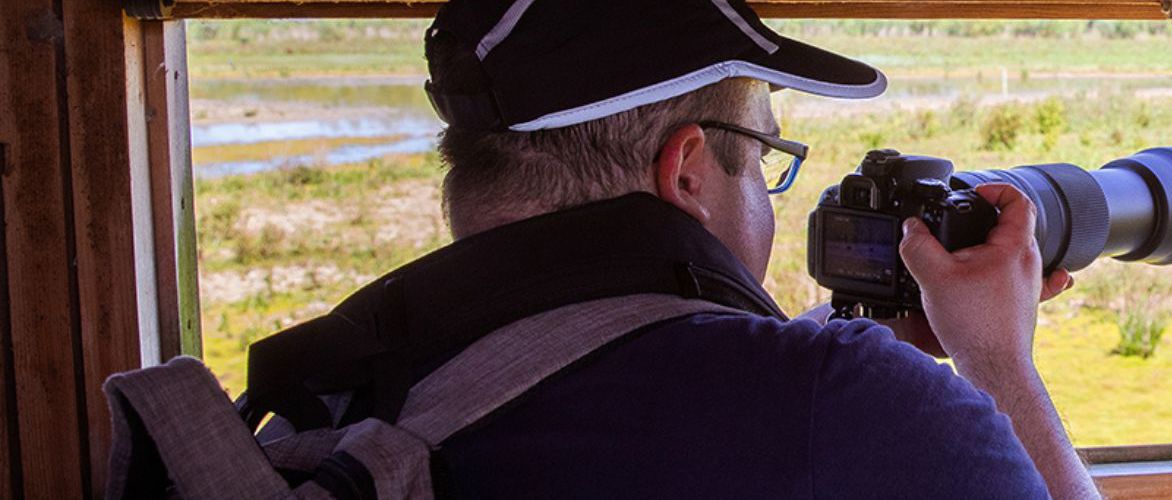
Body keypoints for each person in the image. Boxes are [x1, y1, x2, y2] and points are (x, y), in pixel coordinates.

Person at [275, 0, 1099, 497]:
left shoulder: (333, 388)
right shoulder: (842, 406)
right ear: (690, 170)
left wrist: (815, 342)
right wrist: (997, 362)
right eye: (766, 156)